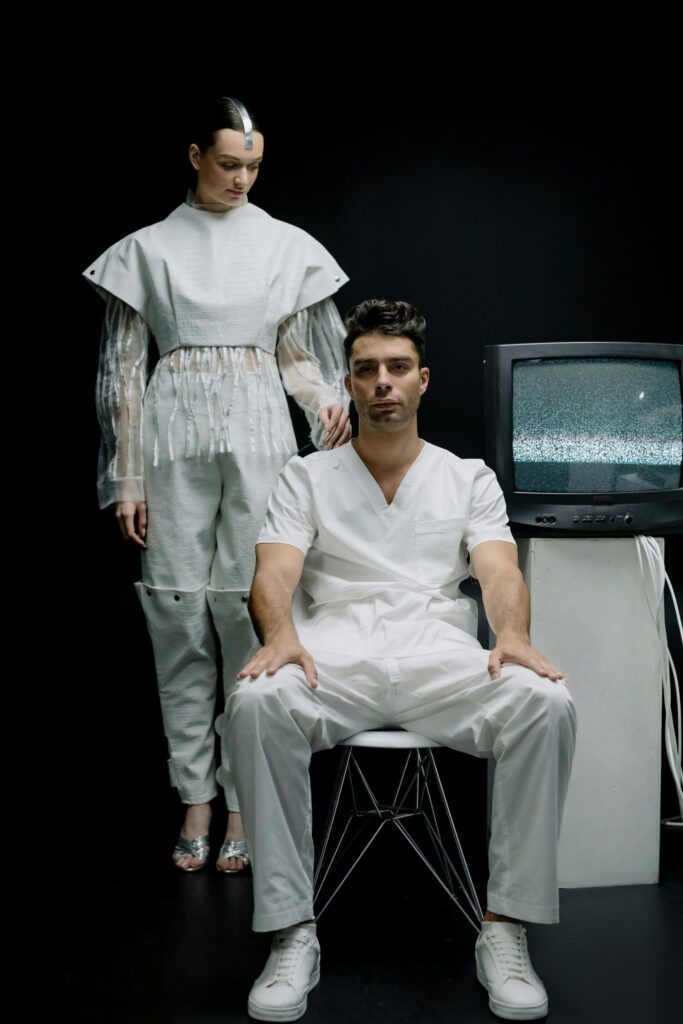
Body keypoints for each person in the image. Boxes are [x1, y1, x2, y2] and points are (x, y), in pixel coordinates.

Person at [226, 298, 577, 1021]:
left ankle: (504, 928)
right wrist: (279, 634)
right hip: (335, 658)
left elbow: (498, 569)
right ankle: (292, 931)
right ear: (348, 383)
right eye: (366, 370)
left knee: (544, 702)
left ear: (422, 379)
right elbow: (274, 571)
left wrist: (511, 633)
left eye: (396, 367)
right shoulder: (307, 476)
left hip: (435, 656)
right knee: (257, 701)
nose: (381, 382)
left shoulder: (467, 477)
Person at [84, 96, 350, 873]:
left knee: (247, 608)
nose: (241, 179)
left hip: (259, 434)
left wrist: (327, 405)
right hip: (173, 437)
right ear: (195, 156)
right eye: (229, 164)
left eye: (253, 167)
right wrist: (126, 475)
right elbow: (122, 371)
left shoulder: (284, 245)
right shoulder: (147, 249)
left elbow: (300, 356)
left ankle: (241, 797)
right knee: (174, 613)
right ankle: (193, 793)